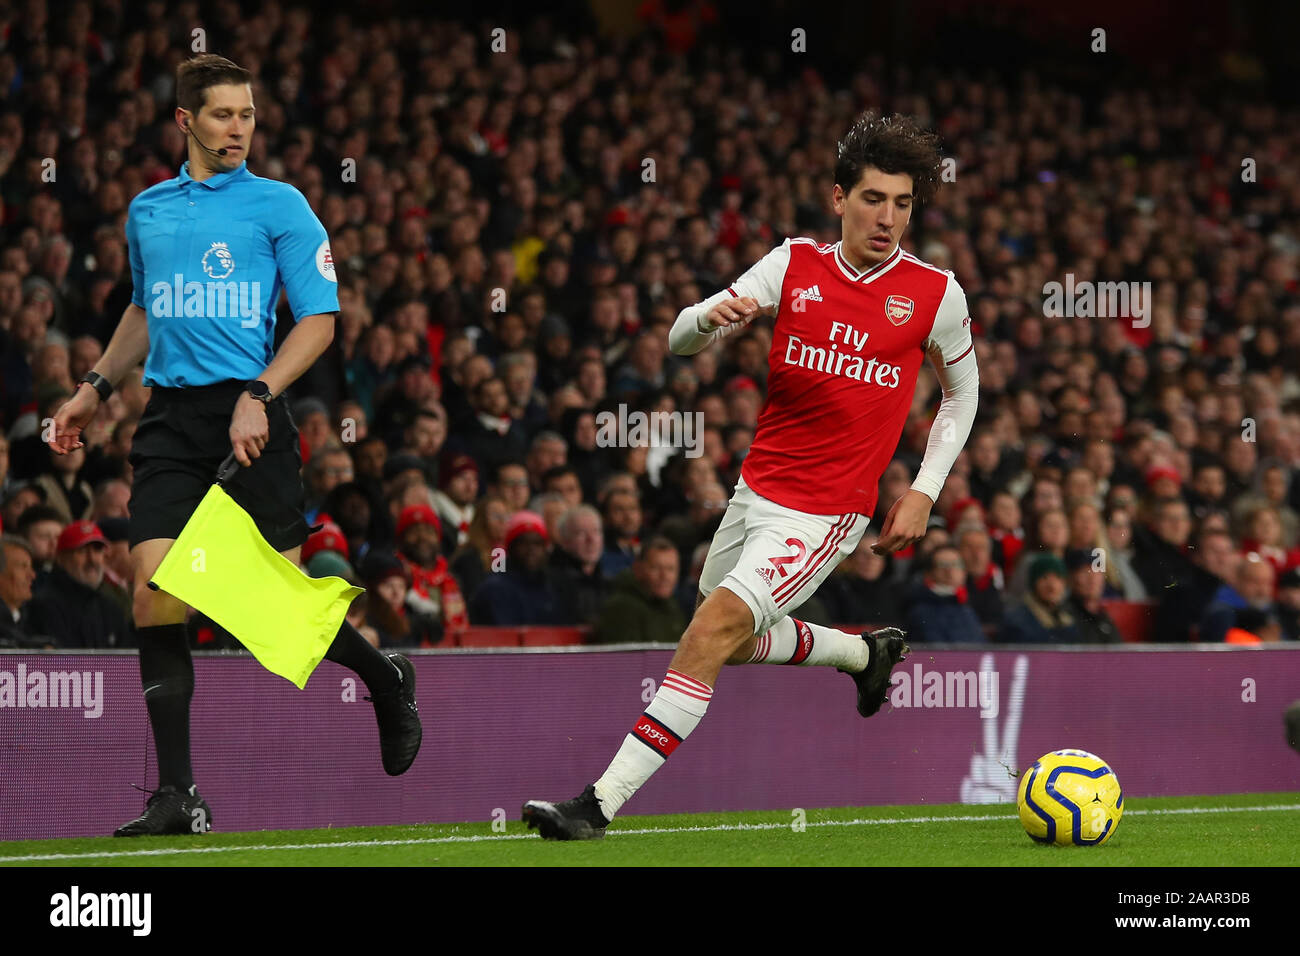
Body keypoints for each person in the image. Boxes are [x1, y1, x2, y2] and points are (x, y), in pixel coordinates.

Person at [524, 112, 979, 839]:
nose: (887, 217)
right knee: (728, 639)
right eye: (872, 199)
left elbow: (963, 393)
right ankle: (864, 653)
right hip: (756, 491)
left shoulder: (933, 294)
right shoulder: (794, 263)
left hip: (829, 513)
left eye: (901, 203)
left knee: (713, 629)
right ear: (839, 198)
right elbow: (679, 338)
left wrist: (924, 488)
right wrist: (711, 319)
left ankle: (596, 806)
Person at [47, 55, 421, 837]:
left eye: (247, 115)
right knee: (152, 591)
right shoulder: (148, 209)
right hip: (171, 422)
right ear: (185, 120)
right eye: (222, 115)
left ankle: (385, 678)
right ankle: (178, 796)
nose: (238, 129)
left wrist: (259, 395)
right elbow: (144, 314)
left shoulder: (281, 206)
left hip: (252, 414)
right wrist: (93, 391)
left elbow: (319, 322)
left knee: (276, 619)